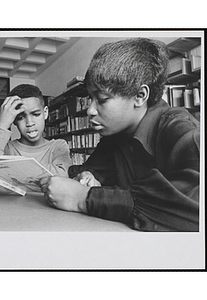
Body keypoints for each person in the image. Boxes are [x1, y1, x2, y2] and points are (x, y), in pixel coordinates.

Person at [41, 38, 200, 232]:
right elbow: (89, 169)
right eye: (90, 99)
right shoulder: (114, 136)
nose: (90, 110)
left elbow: (196, 206)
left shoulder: (184, 131)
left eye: (101, 99)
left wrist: (83, 199)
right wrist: (88, 176)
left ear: (140, 96)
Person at [0, 84, 71, 177]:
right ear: (13, 120)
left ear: (45, 113)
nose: (29, 123)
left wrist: (11, 170)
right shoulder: (6, 148)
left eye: (36, 114)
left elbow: (63, 176)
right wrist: (1, 125)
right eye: (21, 117)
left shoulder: (58, 146)